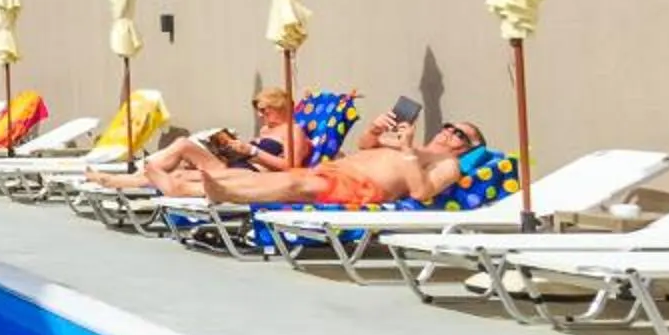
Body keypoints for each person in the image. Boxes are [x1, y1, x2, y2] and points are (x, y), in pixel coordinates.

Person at [170, 118, 483, 208]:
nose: (449, 133)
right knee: (274, 181)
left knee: (291, 185)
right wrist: (376, 129)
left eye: (461, 136)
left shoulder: (447, 165)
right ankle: (188, 187)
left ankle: (223, 192)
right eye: (450, 127)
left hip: (360, 187)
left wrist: (407, 152)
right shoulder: (408, 142)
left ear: (467, 149)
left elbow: (421, 192)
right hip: (338, 169)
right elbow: (364, 145)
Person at [92, 88, 304, 195]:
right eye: (259, 111)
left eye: (264, 111)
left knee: (180, 167)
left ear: (280, 107)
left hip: (255, 175)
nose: (260, 116)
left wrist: (252, 151)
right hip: (236, 164)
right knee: (181, 153)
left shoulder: (294, 132)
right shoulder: (268, 130)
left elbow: (290, 167)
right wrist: (231, 146)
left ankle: (119, 180)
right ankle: (125, 179)